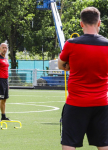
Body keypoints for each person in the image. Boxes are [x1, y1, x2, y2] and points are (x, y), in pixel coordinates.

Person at [58, 7, 108, 150]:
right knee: (104, 144)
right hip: (101, 103)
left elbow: (61, 65)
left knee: (69, 144)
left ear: (81, 24)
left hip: (76, 103)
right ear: (99, 23)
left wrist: (73, 65)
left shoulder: (72, 44)